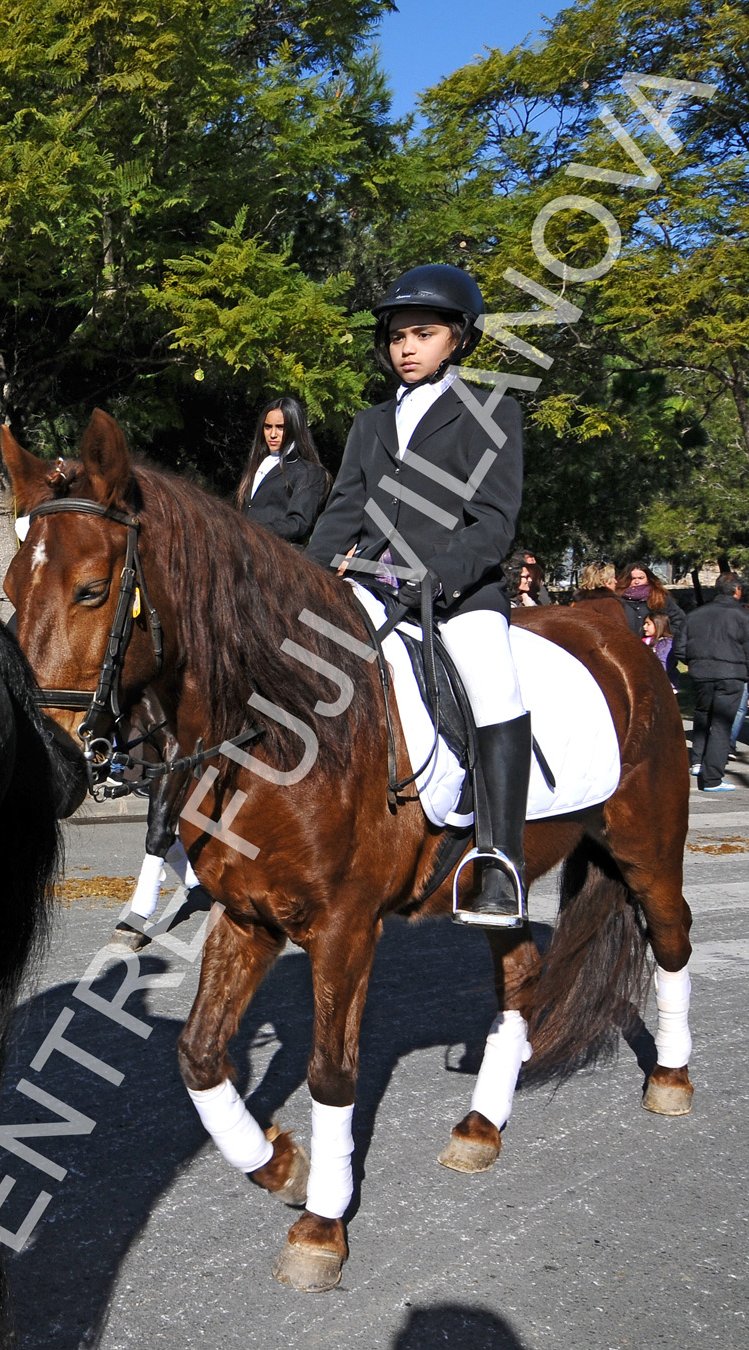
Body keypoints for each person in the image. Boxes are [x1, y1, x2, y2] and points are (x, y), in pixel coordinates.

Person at [306, 263, 529, 928]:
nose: (405, 347)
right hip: (374, 584)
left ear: (457, 338)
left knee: (494, 688)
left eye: (422, 334)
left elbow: (493, 521)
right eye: (398, 336)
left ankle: (499, 862)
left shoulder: (492, 413)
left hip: (460, 593)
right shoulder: (370, 424)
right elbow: (341, 514)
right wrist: (314, 576)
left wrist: (439, 571)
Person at [235, 396, 330, 543]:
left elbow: (298, 523)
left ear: (294, 428)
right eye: (268, 427)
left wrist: (251, 530)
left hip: (279, 557)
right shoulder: (256, 465)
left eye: (280, 427)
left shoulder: (309, 472)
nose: (273, 434)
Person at [685, 573, 749, 791]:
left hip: (701, 673)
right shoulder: (743, 616)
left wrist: (695, 663)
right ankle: (713, 778)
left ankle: (698, 763)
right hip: (731, 674)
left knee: (703, 717)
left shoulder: (695, 615)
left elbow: (681, 646)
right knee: (721, 726)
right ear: (737, 590)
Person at [616, 562, 686, 687]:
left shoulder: (660, 597)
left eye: (640, 578)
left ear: (648, 578)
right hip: (627, 650)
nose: (636, 582)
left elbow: (679, 621)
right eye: (633, 578)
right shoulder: (618, 599)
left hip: (655, 651)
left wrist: (663, 636)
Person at [642, 611, 675, 680]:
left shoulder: (666, 643)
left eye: (648, 624)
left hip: (664, 682)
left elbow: (664, 664)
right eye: (645, 623)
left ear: (659, 625)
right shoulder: (646, 641)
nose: (644, 627)